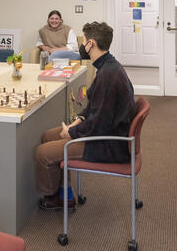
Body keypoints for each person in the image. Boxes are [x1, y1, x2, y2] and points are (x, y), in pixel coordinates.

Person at [34, 21, 136, 210]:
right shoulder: (108, 65)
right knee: (47, 136)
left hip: (108, 143)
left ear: (91, 44)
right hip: (106, 132)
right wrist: (78, 120)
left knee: (42, 153)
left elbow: (99, 124)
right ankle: (66, 191)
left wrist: (72, 133)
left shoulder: (108, 75)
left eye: (84, 40)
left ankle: (55, 197)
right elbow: (94, 109)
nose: (82, 45)